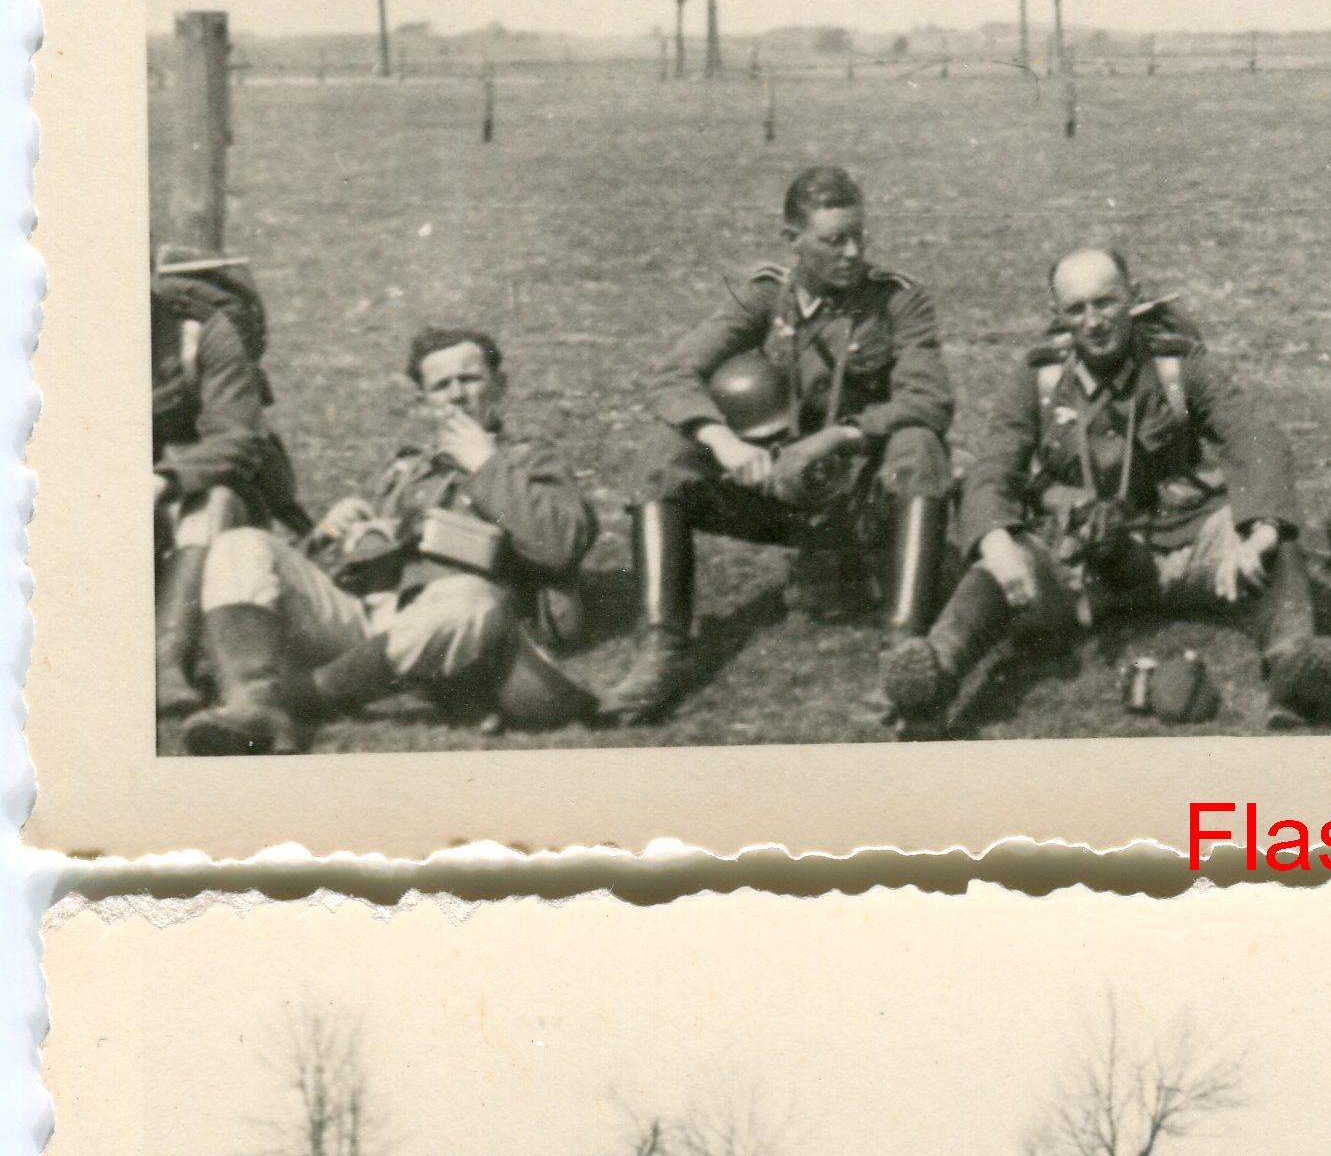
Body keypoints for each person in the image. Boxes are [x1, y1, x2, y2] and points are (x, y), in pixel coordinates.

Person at [882, 243, 1331, 734]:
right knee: (994, 570)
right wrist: (995, 542)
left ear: (1133, 298)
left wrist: (1264, 531)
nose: (1094, 321)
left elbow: (1255, 438)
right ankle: (932, 677)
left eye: (1105, 303)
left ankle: (1294, 673)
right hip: (1075, 559)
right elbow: (994, 464)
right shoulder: (1037, 377)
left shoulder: (1178, 366)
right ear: (1057, 315)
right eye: (1076, 309)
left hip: (1179, 545)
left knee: (1276, 550)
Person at [602, 165, 956, 723]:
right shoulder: (767, 296)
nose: (853, 253)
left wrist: (834, 437)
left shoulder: (897, 302)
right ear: (793, 242)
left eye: (859, 236)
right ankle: (660, 649)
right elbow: (673, 375)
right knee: (664, 455)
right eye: (834, 240)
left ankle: (904, 649)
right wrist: (723, 442)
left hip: (858, 497)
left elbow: (930, 401)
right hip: (775, 495)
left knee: (919, 447)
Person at [182, 322, 597, 754]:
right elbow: (338, 576)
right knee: (242, 543)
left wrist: (486, 465)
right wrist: (329, 538)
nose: (457, 394)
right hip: (371, 627)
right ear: (425, 401)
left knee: (471, 598)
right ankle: (250, 699)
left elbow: (561, 544)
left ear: (500, 385)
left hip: (457, 631)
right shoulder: (408, 471)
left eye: (470, 379)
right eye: (441, 386)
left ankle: (294, 702)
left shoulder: (528, 459)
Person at [150, 246, 308, 728]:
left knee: (214, 499)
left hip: (178, 510)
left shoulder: (199, 335)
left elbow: (238, 439)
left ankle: (165, 657)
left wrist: (165, 478)